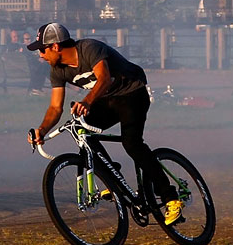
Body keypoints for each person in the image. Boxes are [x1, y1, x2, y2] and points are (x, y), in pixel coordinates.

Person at [25, 22, 182, 225]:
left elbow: (104, 78)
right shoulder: (58, 70)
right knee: (82, 131)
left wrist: (88, 101)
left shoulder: (89, 48)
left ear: (55, 46)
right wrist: (42, 130)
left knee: (132, 144)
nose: (41, 56)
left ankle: (170, 197)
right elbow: (55, 108)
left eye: (42, 50)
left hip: (132, 93)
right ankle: (112, 176)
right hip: (107, 100)